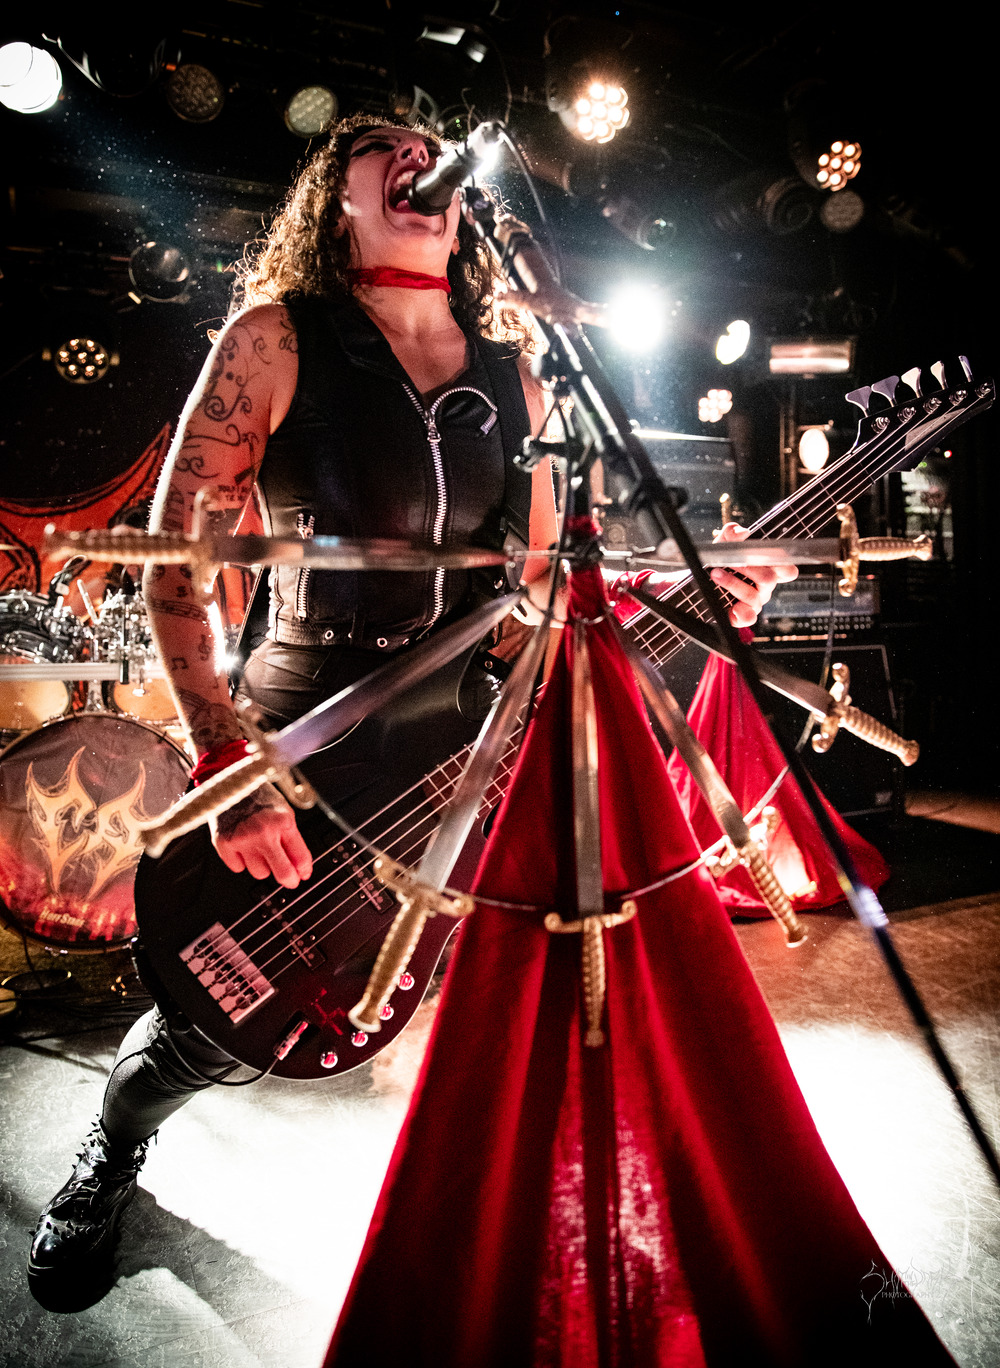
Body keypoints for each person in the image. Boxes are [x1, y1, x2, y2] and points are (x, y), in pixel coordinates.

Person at [27, 113, 790, 1298]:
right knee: (216, 1024)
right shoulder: (277, 338)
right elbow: (176, 559)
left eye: (429, 144)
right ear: (336, 199)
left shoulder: (518, 368)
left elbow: (538, 590)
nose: (414, 155)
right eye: (379, 145)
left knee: (498, 990)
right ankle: (112, 1148)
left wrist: (688, 596)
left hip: (452, 740)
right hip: (297, 727)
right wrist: (227, 762)